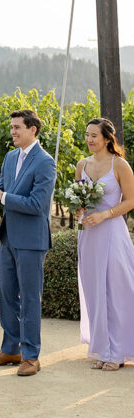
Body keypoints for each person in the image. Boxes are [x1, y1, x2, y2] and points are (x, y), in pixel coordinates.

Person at [0, 109, 56, 376]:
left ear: (33, 129)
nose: (12, 132)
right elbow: (1, 194)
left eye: (17, 127)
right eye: (11, 127)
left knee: (30, 299)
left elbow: (37, 205)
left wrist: (4, 195)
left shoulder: (45, 162)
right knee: (8, 294)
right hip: (8, 237)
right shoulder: (10, 158)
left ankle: (31, 356)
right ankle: (11, 349)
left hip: (32, 240)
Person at [76, 116, 134, 370]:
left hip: (112, 232)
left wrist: (104, 214)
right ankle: (101, 348)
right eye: (87, 135)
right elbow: (78, 198)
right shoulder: (82, 164)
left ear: (107, 139)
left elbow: (131, 201)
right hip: (88, 235)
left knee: (117, 289)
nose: (89, 140)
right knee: (94, 289)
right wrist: (79, 211)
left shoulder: (120, 165)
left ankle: (118, 352)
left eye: (94, 136)